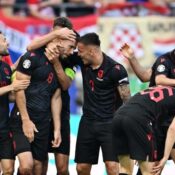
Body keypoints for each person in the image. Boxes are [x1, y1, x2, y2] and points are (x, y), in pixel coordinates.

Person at [10, 31, 77, 175]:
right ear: (60, 40)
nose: (72, 52)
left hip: (43, 122)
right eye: (71, 47)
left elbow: (56, 97)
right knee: (26, 166)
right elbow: (19, 90)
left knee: (38, 167)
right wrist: (26, 120)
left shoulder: (60, 65)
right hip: (22, 118)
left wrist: (57, 129)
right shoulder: (32, 57)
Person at [27, 17, 77, 175]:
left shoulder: (70, 58)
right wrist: (55, 35)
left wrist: (55, 63)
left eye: (60, 34)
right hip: (38, 113)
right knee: (39, 163)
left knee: (62, 168)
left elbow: (65, 85)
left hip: (60, 114)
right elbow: (29, 46)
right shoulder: (40, 51)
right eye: (53, 33)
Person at [120, 43, 175, 174]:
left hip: (172, 120)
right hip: (157, 120)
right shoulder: (165, 60)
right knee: (153, 167)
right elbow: (156, 79)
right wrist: (132, 58)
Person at [112, 85, 175, 175]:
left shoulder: (165, 89)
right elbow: (173, 129)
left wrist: (142, 149)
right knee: (149, 172)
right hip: (138, 119)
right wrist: (165, 157)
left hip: (118, 116)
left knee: (125, 169)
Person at [0, 31, 30, 175]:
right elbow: (10, 88)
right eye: (4, 40)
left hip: (5, 127)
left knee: (9, 169)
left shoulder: (5, 67)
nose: (8, 43)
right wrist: (12, 87)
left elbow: (9, 96)